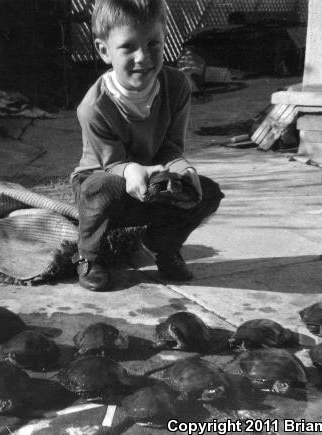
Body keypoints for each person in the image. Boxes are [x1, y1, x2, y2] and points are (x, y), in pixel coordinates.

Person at [70, 0, 224, 291]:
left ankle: (163, 245)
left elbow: (171, 149)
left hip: (153, 183)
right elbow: (112, 163)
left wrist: (184, 169)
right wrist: (132, 171)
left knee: (207, 192)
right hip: (104, 184)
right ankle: (89, 256)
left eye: (153, 44)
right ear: (104, 51)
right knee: (105, 188)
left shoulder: (177, 86)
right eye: (128, 47)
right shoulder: (94, 107)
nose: (143, 57)